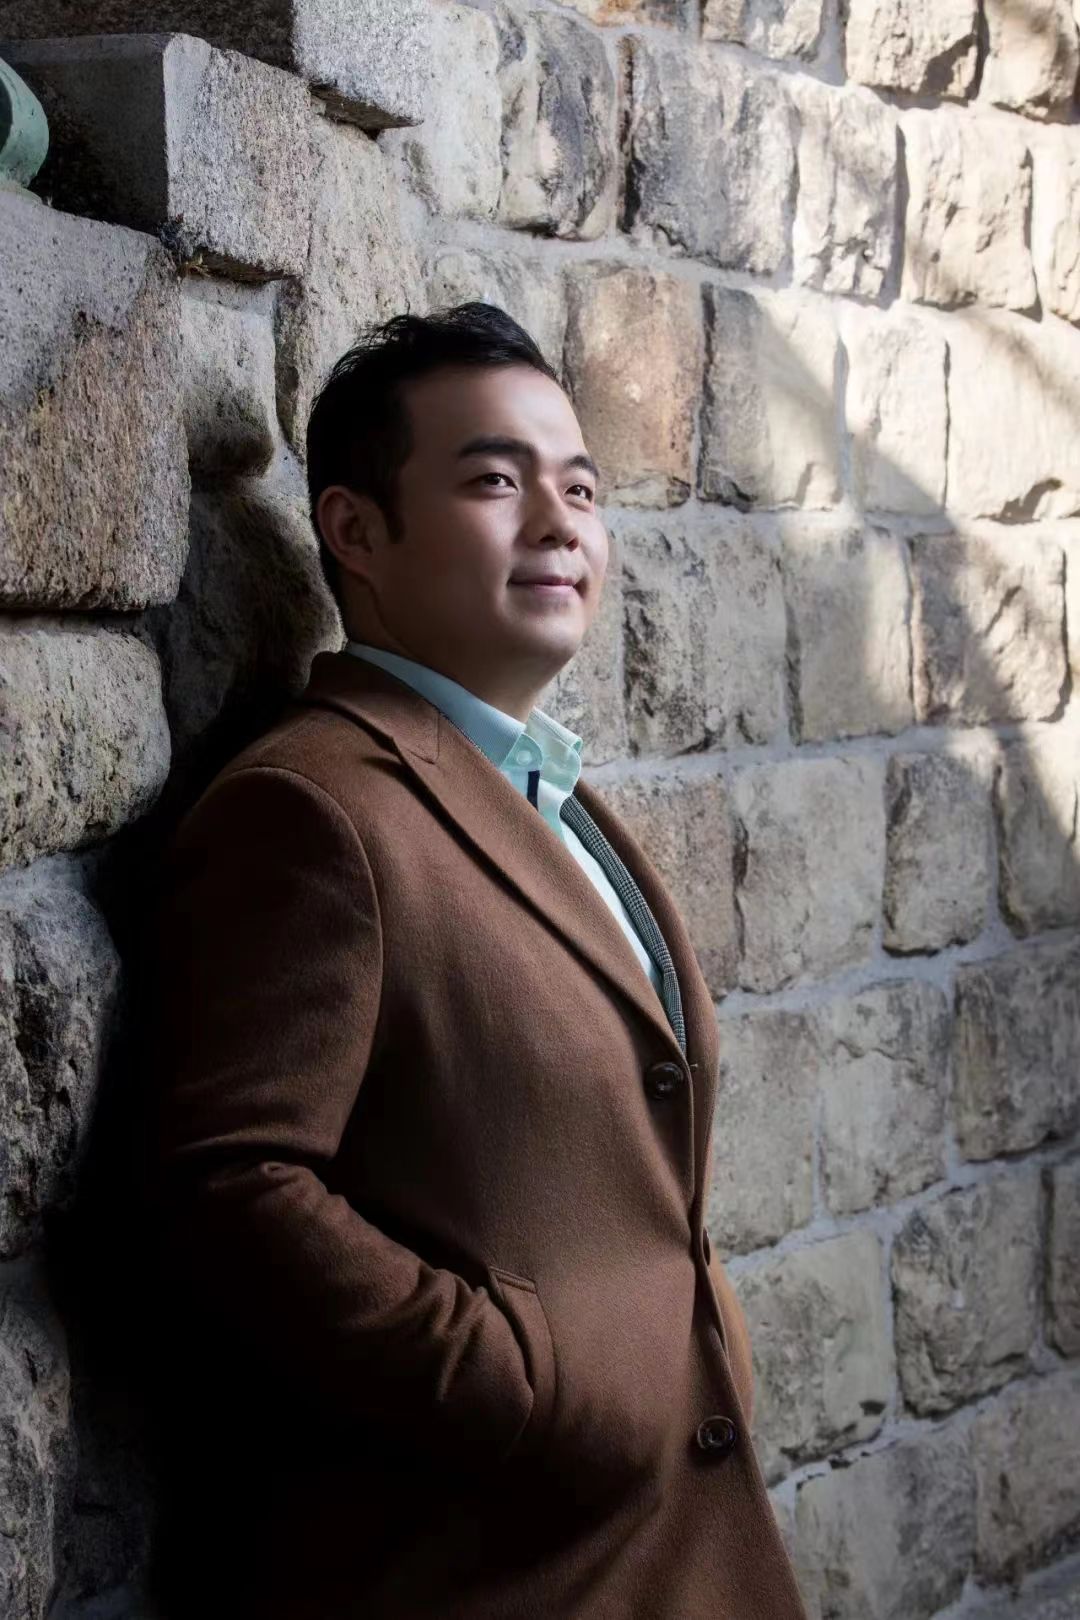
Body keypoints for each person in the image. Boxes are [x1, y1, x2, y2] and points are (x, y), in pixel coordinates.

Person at [147, 303, 809, 1619]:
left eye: (581, 489)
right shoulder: (313, 808)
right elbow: (227, 1185)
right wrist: (522, 1384)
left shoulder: (549, 792)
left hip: (669, 1535)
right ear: (355, 531)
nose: (561, 524)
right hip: (501, 1565)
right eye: (497, 482)